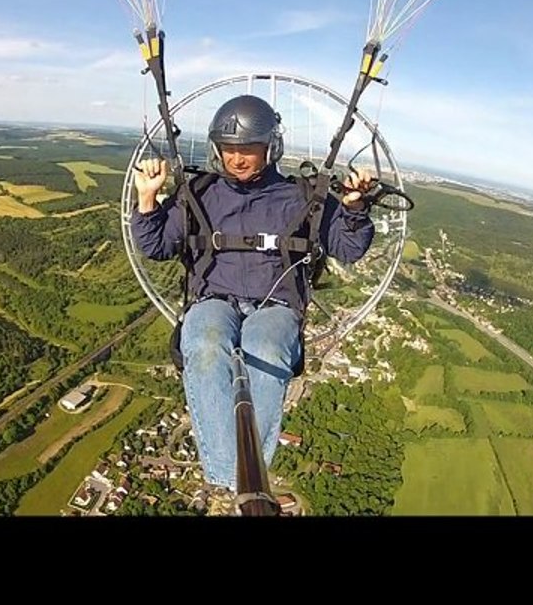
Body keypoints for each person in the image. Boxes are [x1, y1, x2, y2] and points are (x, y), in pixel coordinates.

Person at [130, 94, 375, 495]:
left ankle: (246, 483)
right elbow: (157, 245)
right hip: (214, 299)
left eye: (248, 149)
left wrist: (353, 208)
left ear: (271, 147)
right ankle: (233, 481)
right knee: (206, 343)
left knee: (264, 346)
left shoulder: (304, 197)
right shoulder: (200, 193)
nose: (236, 159)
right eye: (228, 150)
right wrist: (147, 199)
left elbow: (348, 248)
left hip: (276, 306)